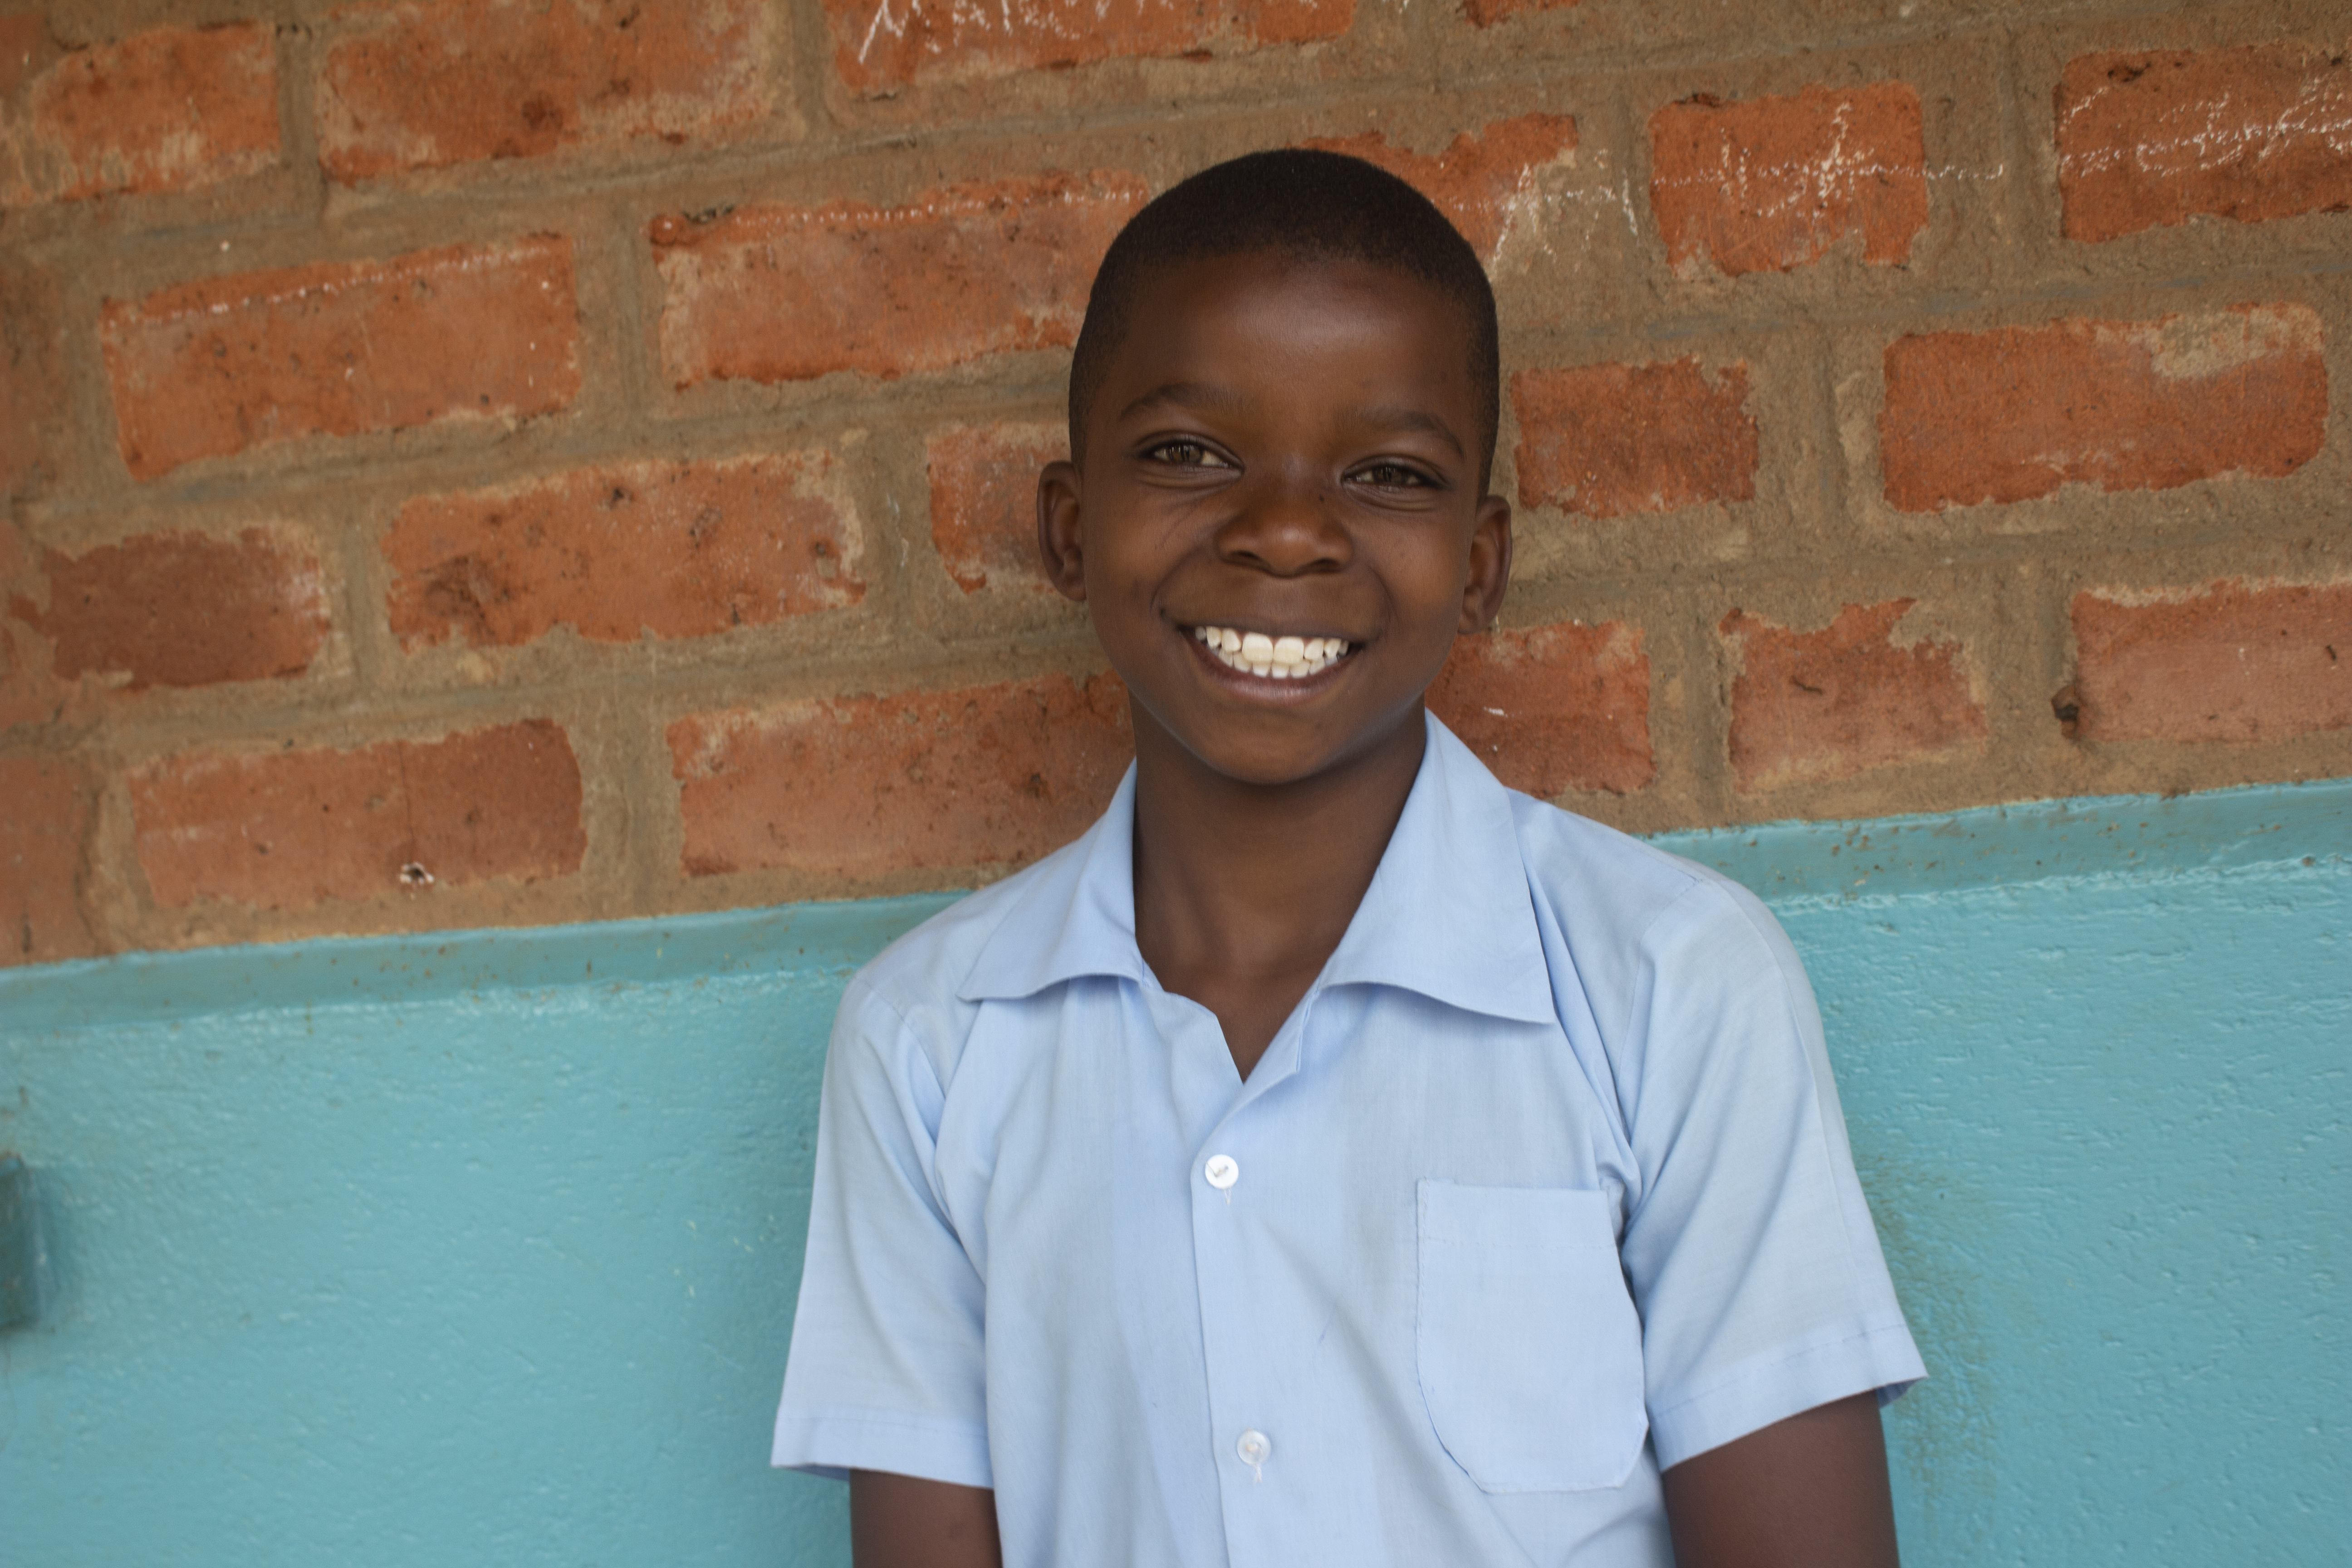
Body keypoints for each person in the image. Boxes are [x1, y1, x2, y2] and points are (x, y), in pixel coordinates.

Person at [772, 148, 1925, 1568]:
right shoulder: (930, 1043)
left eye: (1388, 473)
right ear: (1069, 532)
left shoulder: (1668, 983)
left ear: (1482, 561)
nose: (1287, 533)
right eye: (1190, 452)